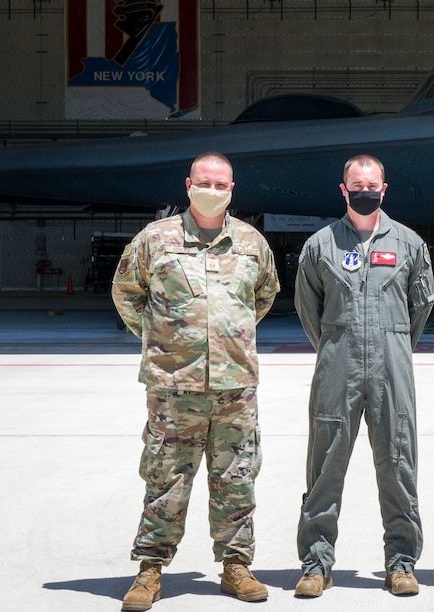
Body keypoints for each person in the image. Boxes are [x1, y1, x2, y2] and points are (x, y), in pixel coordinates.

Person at [113, 152, 280, 611]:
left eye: (221, 184)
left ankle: (236, 566)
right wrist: (163, 341)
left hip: (234, 388)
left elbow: (263, 296)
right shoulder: (155, 239)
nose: (213, 189)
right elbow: (127, 294)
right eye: (205, 181)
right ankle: (149, 569)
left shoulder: (251, 243)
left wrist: (228, 338)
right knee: (165, 479)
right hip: (173, 389)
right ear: (188, 185)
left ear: (232, 190)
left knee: (237, 479)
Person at [293, 154, 434, 598]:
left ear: (384, 188)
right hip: (337, 368)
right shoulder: (320, 246)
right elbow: (307, 309)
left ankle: (401, 562)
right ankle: (316, 564)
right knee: (325, 466)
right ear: (344, 189)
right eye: (356, 184)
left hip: (392, 368)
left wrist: (391, 344)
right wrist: (339, 346)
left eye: (371, 183)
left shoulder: (410, 244)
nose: (364, 190)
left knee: (397, 464)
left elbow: (422, 307)